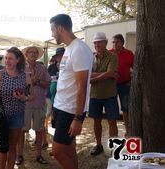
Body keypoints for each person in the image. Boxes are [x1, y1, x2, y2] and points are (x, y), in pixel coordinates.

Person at [50, 14, 93, 169]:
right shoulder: (70, 48)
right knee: (69, 149)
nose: (52, 34)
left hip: (70, 110)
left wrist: (77, 117)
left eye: (53, 30)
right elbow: (66, 82)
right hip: (62, 107)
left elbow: (82, 87)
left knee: (57, 151)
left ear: (60, 28)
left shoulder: (79, 49)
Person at [0, 47, 33, 169]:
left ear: (18, 60)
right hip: (1, 115)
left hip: (17, 115)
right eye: (6, 58)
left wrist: (23, 97)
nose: (7, 61)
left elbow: (31, 95)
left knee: (12, 146)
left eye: (11, 58)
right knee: (2, 147)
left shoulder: (25, 76)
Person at [16, 46, 51, 165]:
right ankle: (19, 155)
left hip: (39, 103)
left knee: (40, 130)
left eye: (36, 52)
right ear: (26, 54)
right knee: (22, 131)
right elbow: (17, 85)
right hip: (24, 104)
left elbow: (48, 83)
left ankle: (39, 155)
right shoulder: (20, 68)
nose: (33, 54)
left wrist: (37, 82)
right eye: (31, 52)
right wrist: (30, 82)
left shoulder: (42, 67)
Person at [89, 32, 119, 156]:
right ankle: (99, 145)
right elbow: (88, 77)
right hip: (95, 95)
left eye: (100, 42)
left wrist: (94, 76)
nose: (97, 44)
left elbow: (110, 72)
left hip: (109, 95)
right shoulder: (91, 57)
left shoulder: (113, 56)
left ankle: (115, 148)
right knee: (96, 122)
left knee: (112, 122)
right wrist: (106, 74)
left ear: (106, 43)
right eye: (95, 42)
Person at [109, 34, 134, 137]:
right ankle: (114, 134)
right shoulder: (109, 53)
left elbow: (136, 68)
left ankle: (128, 131)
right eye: (113, 42)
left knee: (126, 109)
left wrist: (131, 80)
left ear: (122, 43)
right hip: (111, 86)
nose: (115, 44)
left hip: (125, 85)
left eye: (117, 42)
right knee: (112, 108)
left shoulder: (129, 54)